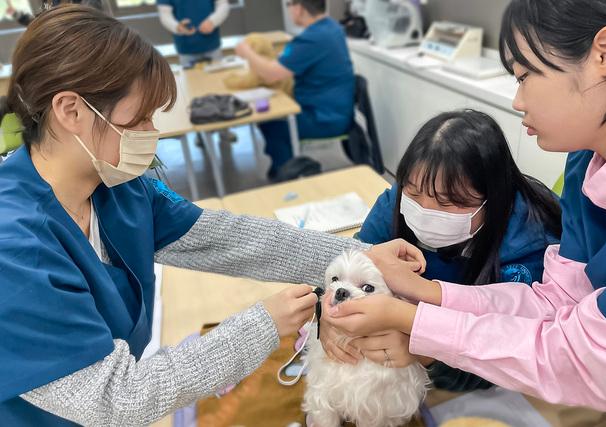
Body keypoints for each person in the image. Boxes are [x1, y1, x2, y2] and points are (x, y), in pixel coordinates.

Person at [0, 6, 415, 425]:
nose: (152, 133)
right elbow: (116, 400)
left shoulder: (118, 187)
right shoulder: (15, 250)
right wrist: (264, 324)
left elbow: (226, 237)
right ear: (71, 110)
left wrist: (363, 256)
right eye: (138, 118)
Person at [324, 0, 606, 412]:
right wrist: (427, 292)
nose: (518, 101)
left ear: (605, 54)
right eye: (414, 193)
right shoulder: (584, 163)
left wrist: (416, 324)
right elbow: (555, 302)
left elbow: (580, 357)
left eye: (525, 76)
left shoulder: (532, 228)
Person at [322, 109, 560, 392]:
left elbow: (518, 354)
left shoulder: (530, 244)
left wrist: (426, 353)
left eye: (447, 203)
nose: (424, 210)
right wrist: (324, 315)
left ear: (493, 199)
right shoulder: (396, 203)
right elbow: (346, 270)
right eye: (412, 192)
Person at [235, 0, 355, 180]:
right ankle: (283, 167)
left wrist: (246, 52)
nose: (289, 10)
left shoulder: (313, 38)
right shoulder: (331, 28)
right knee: (272, 114)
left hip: (324, 119)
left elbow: (271, 74)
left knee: (272, 122)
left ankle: (286, 175)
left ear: (298, 8)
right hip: (334, 111)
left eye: (289, 5)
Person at [157, 0, 229, 68]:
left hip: (213, 45)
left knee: (216, 79)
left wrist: (213, 21)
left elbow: (223, 4)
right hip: (185, 49)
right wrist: (177, 26)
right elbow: (164, 14)